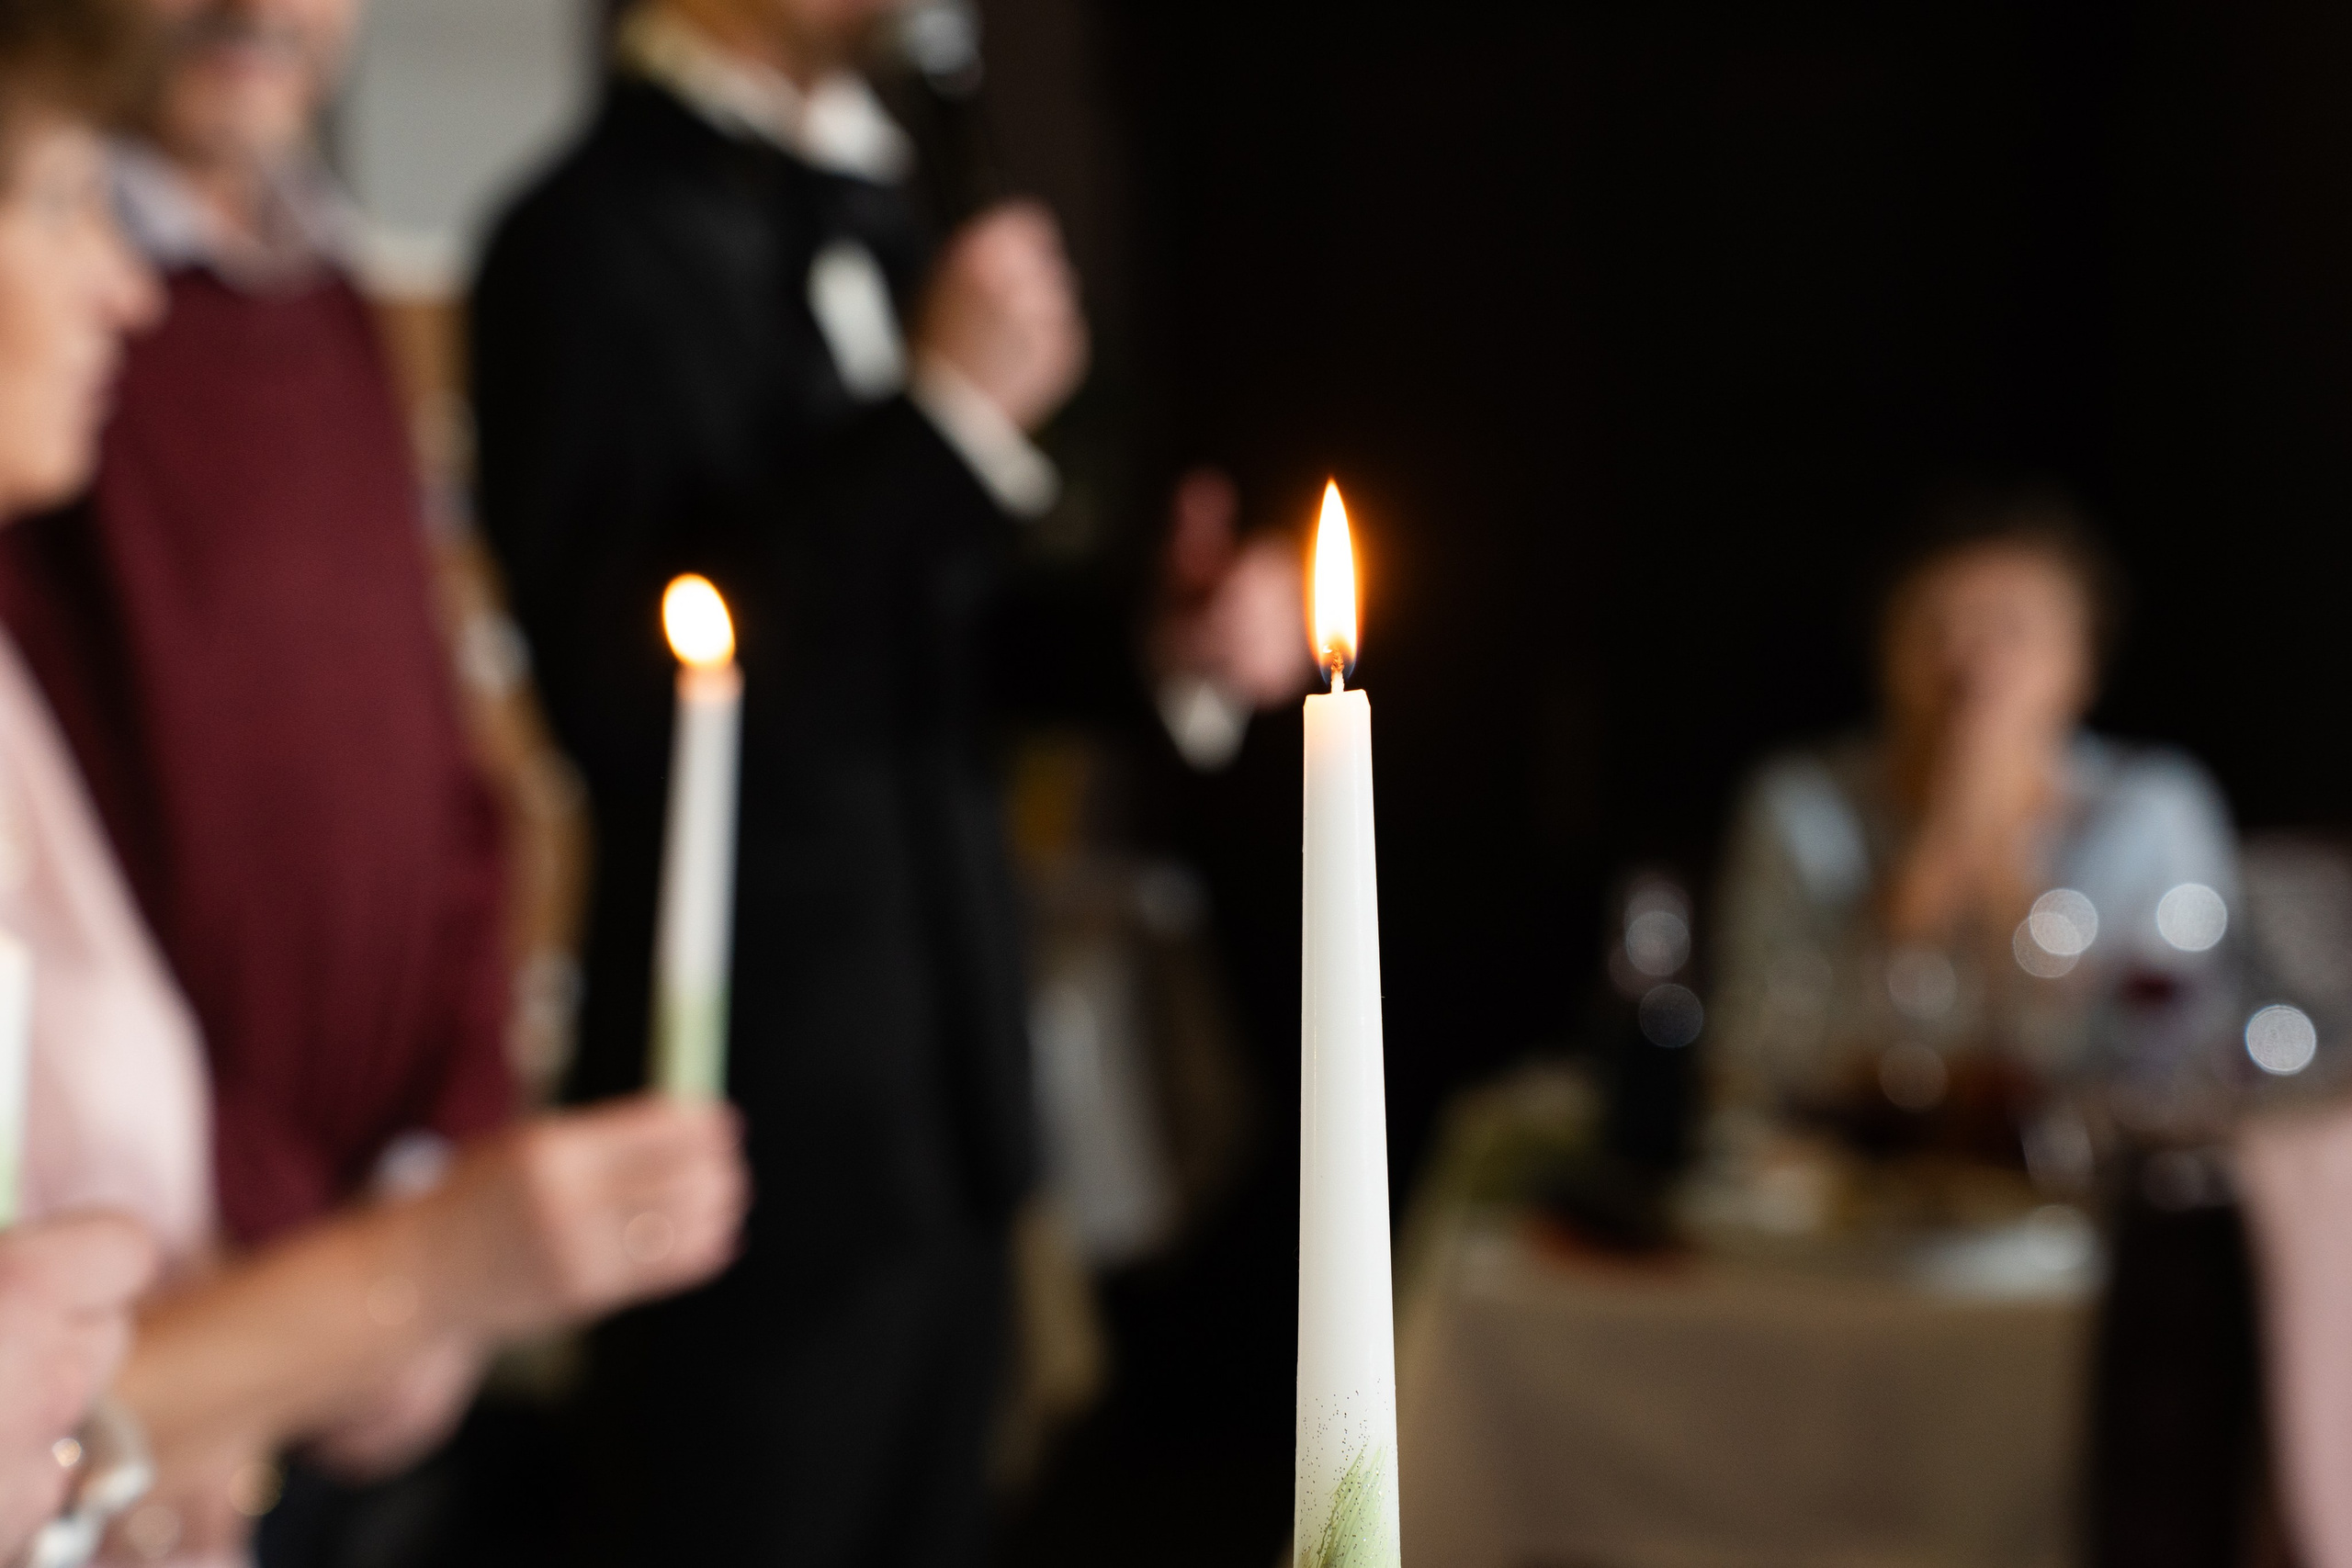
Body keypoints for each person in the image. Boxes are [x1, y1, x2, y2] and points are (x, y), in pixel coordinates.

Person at [471, 1, 1301, 1559]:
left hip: (951, 1092)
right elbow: (635, 687)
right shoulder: (581, 241)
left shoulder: (879, 199)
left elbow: (929, 643)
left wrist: (1153, 636)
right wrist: (939, 425)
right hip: (749, 1119)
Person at [0, 0, 749, 1559]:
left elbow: (440, 767)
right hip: (226, 1307)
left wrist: (435, 1163)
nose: (124, 285)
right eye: (62, 202)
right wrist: (383, 1269)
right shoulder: (68, 459)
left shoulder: (332, 296)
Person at [1707, 489, 2239, 1188]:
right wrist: (1944, 838)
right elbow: (1765, 1050)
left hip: (2086, 1188)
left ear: (2083, 663)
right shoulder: (1802, 803)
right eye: (1938, 630)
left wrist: (1989, 842)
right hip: (1850, 1185)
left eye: (2011, 631)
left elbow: (2167, 1054)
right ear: (1882, 653)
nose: (1973, 667)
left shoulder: (2152, 808)